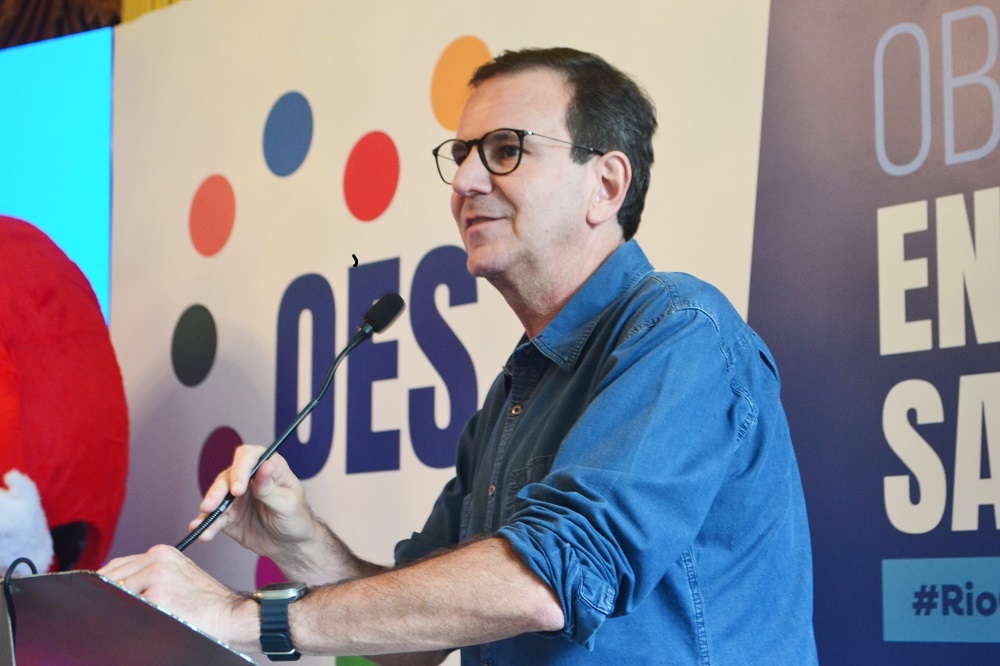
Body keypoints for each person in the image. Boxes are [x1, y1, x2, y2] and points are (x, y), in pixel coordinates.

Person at [102, 47, 818, 664]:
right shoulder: (516, 391)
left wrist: (239, 616)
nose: (466, 182)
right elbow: (415, 643)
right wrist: (300, 543)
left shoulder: (681, 331)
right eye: (462, 154)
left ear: (605, 185)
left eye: (505, 150)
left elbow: (542, 582)